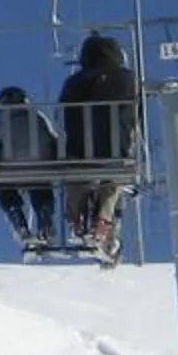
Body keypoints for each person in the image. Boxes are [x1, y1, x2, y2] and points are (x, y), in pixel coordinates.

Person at [55, 32, 142, 259]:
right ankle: (103, 219)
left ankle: (77, 215)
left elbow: (65, 113)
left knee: (77, 178)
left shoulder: (73, 82)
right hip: (116, 149)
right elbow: (136, 115)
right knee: (114, 179)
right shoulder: (128, 80)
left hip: (79, 151)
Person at [0, 84, 62, 246]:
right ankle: (45, 218)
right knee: (40, 186)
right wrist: (56, 160)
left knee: (2, 187)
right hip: (41, 168)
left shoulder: (2, 124)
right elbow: (52, 139)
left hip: (12, 170)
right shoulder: (39, 117)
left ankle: (17, 216)